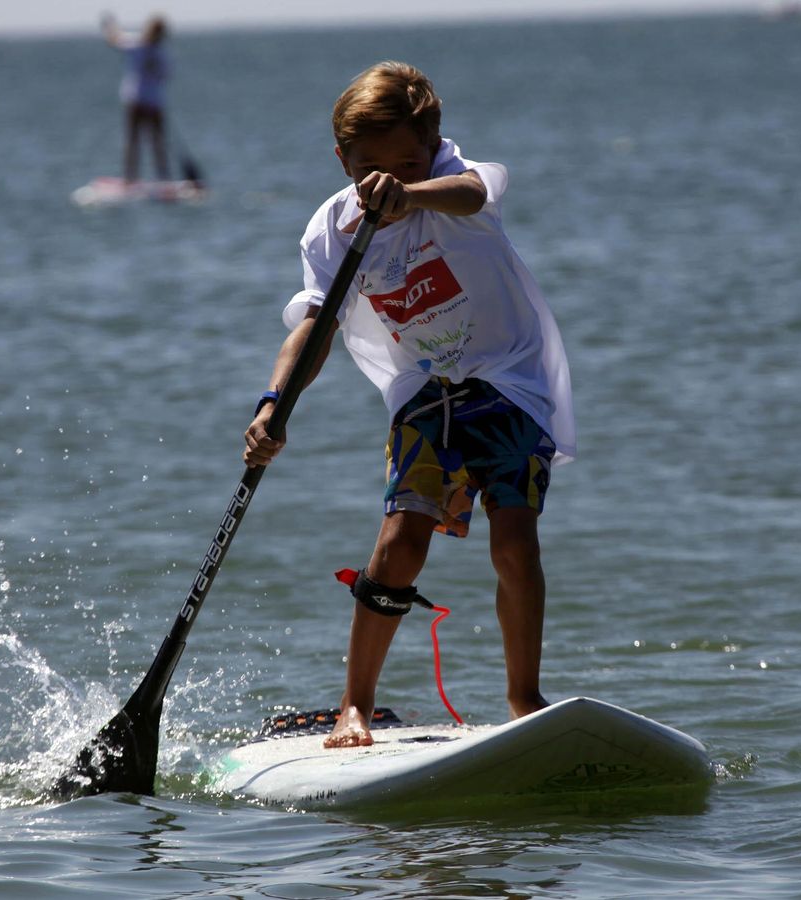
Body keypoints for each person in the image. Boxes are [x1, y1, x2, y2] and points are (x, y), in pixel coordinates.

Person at [243, 61, 576, 750]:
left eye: (407, 161)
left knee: (514, 542)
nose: (386, 178)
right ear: (343, 160)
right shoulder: (333, 230)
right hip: (425, 394)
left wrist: (414, 193)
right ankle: (353, 707)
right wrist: (274, 402)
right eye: (370, 166)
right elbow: (316, 326)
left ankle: (523, 697)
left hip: (509, 385)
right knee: (399, 548)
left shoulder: (460, 178)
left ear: (434, 147)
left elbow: (469, 194)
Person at [102, 13, 169, 183]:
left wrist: (109, 26)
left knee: (151, 141)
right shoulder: (144, 48)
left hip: (147, 100)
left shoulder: (146, 49)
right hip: (142, 100)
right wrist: (109, 26)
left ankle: (160, 179)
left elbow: (114, 39)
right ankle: (133, 178)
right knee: (139, 140)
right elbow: (115, 39)